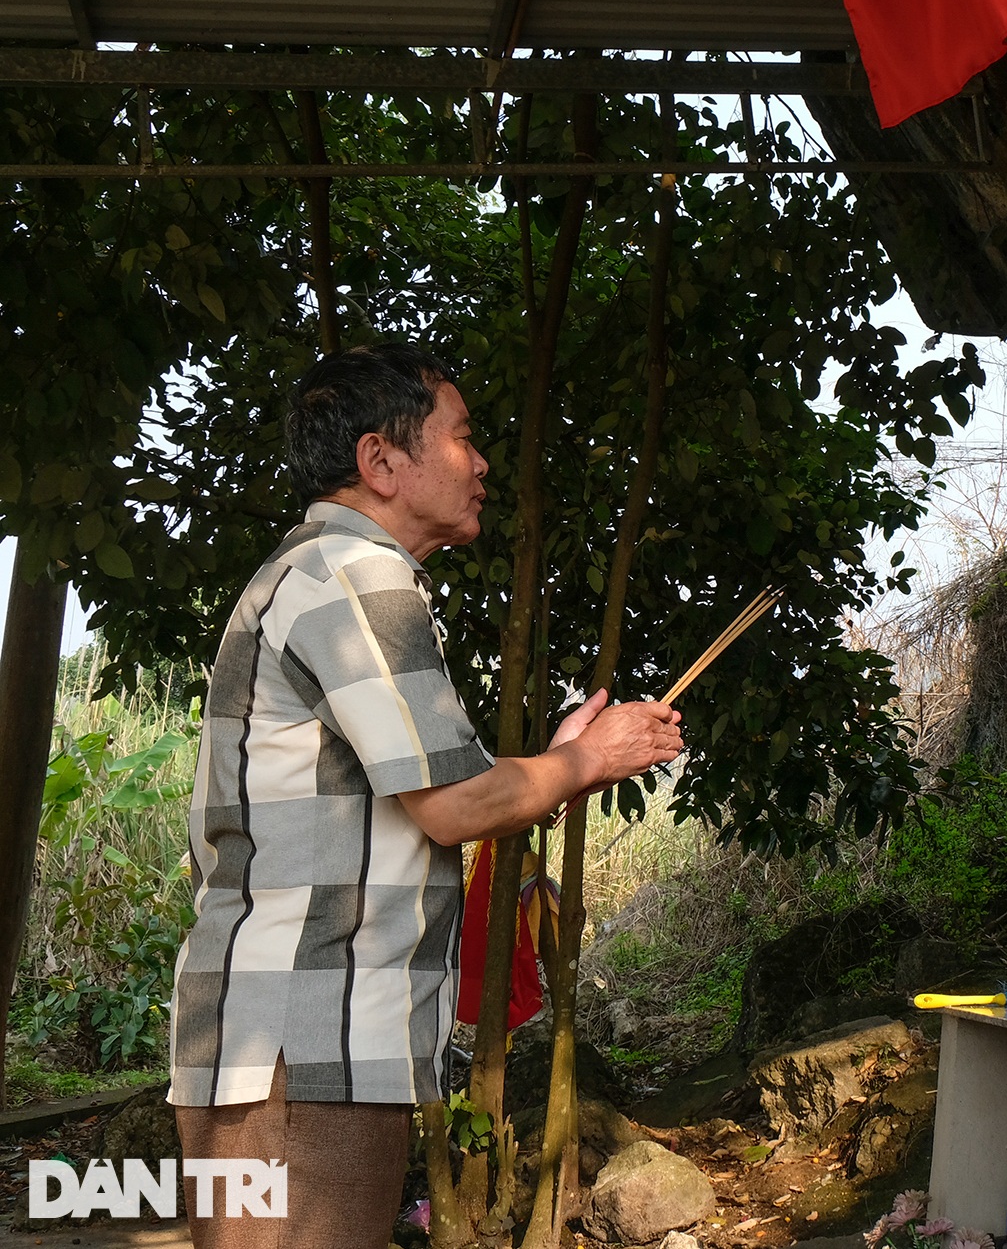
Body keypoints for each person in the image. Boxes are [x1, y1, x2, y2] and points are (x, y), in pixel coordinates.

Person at [166, 344, 682, 1249]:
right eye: (462, 436)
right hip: (303, 1044)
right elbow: (452, 807)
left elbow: (442, 793)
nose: (481, 464)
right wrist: (589, 760)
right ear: (381, 461)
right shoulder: (355, 576)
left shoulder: (323, 571)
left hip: (296, 1042)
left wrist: (558, 762)